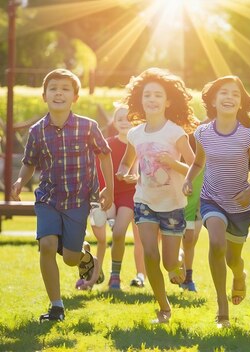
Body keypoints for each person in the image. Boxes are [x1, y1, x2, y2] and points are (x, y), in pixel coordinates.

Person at [10, 68, 114, 322]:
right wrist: (20, 180)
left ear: (75, 97)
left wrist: (108, 188)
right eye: (53, 88)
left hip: (78, 201)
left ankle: (83, 254)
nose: (59, 92)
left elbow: (104, 155)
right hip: (48, 198)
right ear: (44, 95)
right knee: (46, 245)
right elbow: (29, 162)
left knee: (69, 259)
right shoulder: (37, 131)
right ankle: (56, 306)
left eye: (65, 88)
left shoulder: (88, 127)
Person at [183, 75, 250, 329]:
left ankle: (239, 275)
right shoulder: (202, 133)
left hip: (240, 207)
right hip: (212, 200)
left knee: (233, 260)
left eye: (235, 94)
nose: (229, 97)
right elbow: (198, 162)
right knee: (216, 243)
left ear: (241, 103)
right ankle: (222, 308)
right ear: (213, 101)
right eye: (224, 93)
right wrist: (188, 180)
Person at [117, 67, 196, 324]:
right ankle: (163, 308)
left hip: (172, 205)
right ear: (140, 99)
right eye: (147, 95)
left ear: (168, 101)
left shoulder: (175, 132)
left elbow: (194, 167)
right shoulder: (135, 133)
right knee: (151, 253)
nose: (151, 100)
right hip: (144, 201)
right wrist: (124, 174)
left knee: (168, 263)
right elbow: (126, 163)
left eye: (157, 95)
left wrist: (173, 164)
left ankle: (178, 261)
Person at [80, 104, 144, 291]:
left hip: (128, 194)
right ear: (114, 122)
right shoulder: (105, 143)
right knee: (99, 237)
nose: (124, 122)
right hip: (105, 194)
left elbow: (137, 172)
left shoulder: (138, 144)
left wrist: (132, 177)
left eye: (128, 118)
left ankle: (114, 276)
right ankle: (91, 275)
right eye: (120, 119)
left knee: (118, 233)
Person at [180, 126, 204, 292]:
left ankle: (187, 274)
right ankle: (186, 277)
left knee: (191, 240)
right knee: (187, 239)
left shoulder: (206, 164)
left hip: (198, 205)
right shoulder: (183, 166)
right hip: (181, 203)